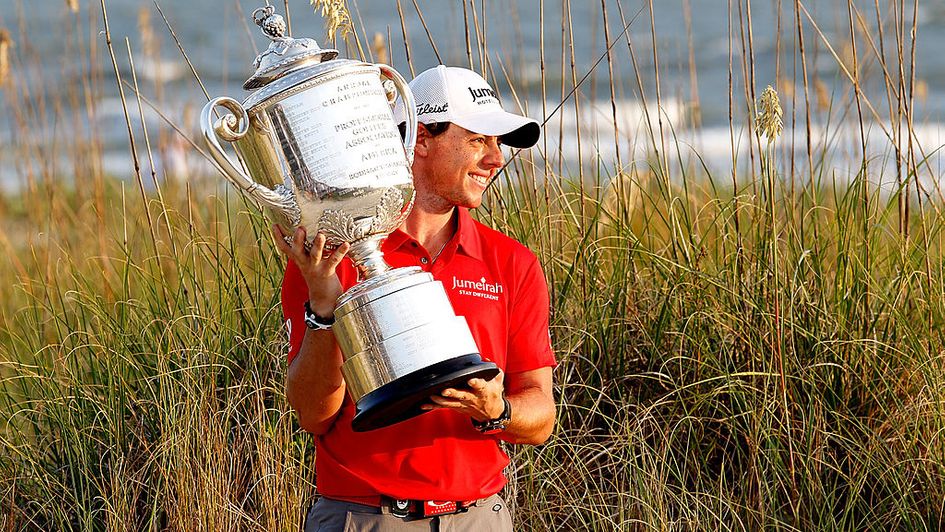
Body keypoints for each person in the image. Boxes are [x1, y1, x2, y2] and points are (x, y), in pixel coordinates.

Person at [274, 65, 556, 531]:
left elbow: (541, 416)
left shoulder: (513, 263)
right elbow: (313, 414)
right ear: (421, 138)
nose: (496, 159)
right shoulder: (331, 254)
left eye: (498, 144)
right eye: (478, 140)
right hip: (364, 518)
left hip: (480, 519)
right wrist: (326, 312)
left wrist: (497, 410)